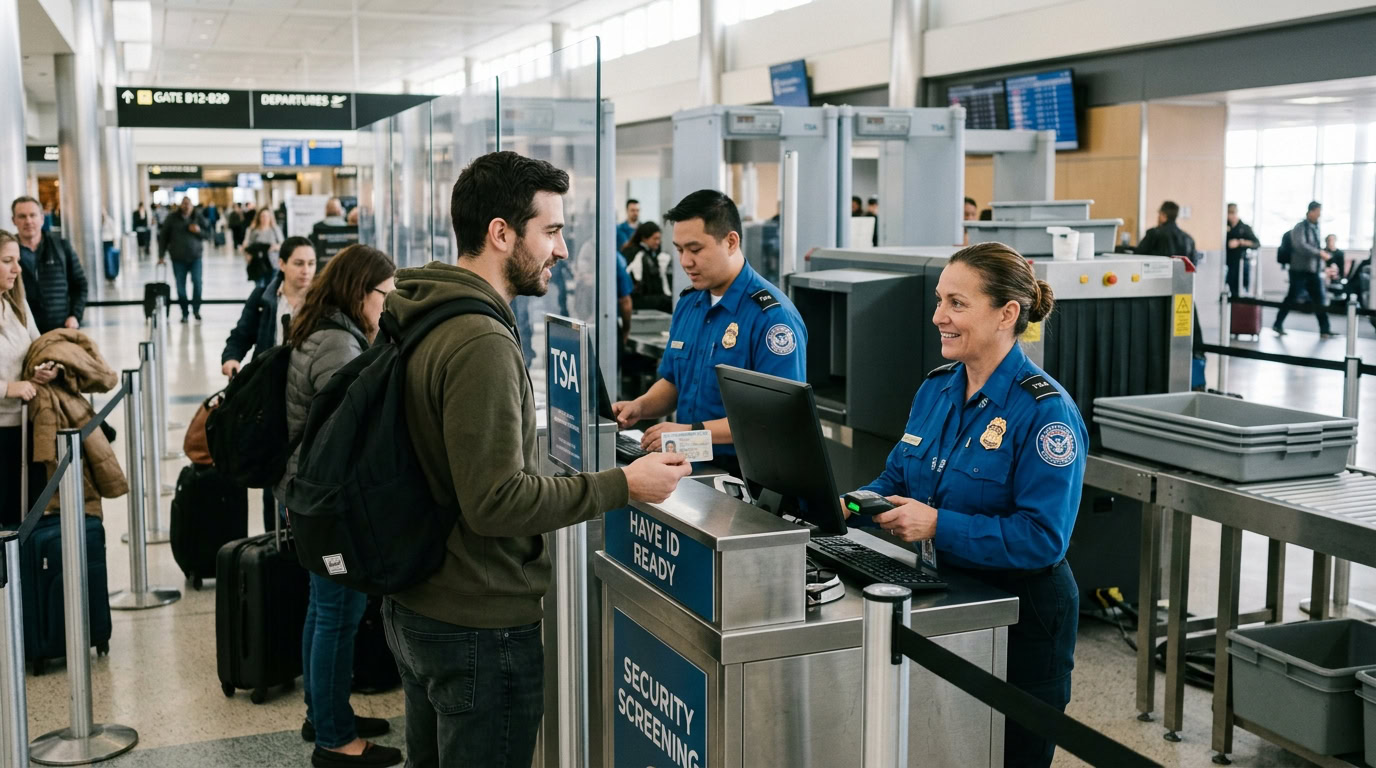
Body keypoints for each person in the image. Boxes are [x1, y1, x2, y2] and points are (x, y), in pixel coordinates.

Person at [381, 150, 690, 767]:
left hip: (419, 602)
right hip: (477, 622)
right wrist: (621, 485)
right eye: (551, 231)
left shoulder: (424, 308)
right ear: (501, 233)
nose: (563, 250)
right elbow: (495, 501)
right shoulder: (479, 340)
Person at [856, 242, 1086, 768]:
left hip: (1022, 618)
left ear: (1007, 314)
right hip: (948, 597)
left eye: (956, 304)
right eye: (939, 301)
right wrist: (841, 504)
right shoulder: (936, 390)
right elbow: (897, 475)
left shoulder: (1045, 414)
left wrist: (939, 523)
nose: (938, 317)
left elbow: (1042, 537)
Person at [276, 244, 401, 768]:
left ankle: (323, 712)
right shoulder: (338, 344)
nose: (388, 307)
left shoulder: (325, 328)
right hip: (328, 502)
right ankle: (334, 739)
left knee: (325, 609)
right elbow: (349, 427)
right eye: (384, 296)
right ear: (359, 291)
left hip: (309, 494)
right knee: (337, 613)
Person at [612, 189, 808, 475]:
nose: (685, 262)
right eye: (679, 250)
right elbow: (674, 382)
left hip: (747, 478)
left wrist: (689, 433)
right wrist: (639, 407)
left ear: (730, 242)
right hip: (692, 469)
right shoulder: (690, 303)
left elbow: (775, 417)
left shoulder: (772, 319)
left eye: (695, 249)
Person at [222, 235, 317, 533]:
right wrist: (232, 358)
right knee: (272, 468)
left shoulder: (322, 300)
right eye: (299, 263)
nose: (306, 271)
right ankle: (272, 537)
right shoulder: (264, 298)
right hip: (270, 397)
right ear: (282, 264)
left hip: (305, 396)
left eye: (312, 264)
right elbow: (241, 333)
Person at [0, 230, 58, 527]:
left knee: (27, 514)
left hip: (25, 425)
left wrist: (46, 367)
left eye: (17, 260)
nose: (17, 269)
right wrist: (8, 388)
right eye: (7, 261)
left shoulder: (13, 305)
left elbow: (38, 345)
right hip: (3, 430)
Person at [12, 196, 86, 334]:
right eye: (22, 216)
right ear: (14, 220)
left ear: (42, 218)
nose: (28, 221)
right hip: (22, 332)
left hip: (61, 330)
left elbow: (80, 284)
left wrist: (75, 315)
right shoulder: (7, 252)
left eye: (32, 215)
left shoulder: (61, 247)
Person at [1274, 201, 1335, 339]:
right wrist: (1319, 253)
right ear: (1311, 211)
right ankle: (1278, 324)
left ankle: (1325, 330)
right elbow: (1300, 245)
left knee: (1319, 300)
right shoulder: (1300, 227)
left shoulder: (1315, 228)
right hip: (1298, 271)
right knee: (1291, 298)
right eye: (1318, 212)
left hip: (1312, 270)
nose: (1319, 215)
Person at [159, 197, 211, 323]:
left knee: (197, 283)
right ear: (180, 205)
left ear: (192, 206)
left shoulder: (198, 217)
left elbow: (208, 234)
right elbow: (163, 236)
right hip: (178, 259)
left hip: (195, 257)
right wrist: (161, 255)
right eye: (184, 204)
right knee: (180, 287)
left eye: (189, 204)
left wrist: (198, 231)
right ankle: (185, 313)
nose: (186, 207)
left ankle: (196, 310)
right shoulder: (172, 218)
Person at [622, 221, 672, 313]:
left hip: (637, 298)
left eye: (659, 239)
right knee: (669, 302)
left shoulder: (644, 253)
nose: (658, 242)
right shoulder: (637, 254)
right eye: (655, 239)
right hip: (634, 300)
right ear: (644, 238)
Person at [1224, 203, 1259, 298]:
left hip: (1240, 263)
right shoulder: (1223, 227)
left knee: (1237, 289)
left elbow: (1256, 243)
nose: (1230, 216)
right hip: (1226, 263)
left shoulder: (1244, 228)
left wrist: (1240, 242)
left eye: (1232, 213)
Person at [245, 207, 285, 287]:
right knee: (260, 286)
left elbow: (282, 244)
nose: (265, 218)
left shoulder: (275, 229)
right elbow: (249, 246)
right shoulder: (254, 231)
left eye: (267, 216)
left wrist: (274, 247)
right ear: (259, 217)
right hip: (258, 263)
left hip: (273, 262)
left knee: (271, 287)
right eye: (262, 216)